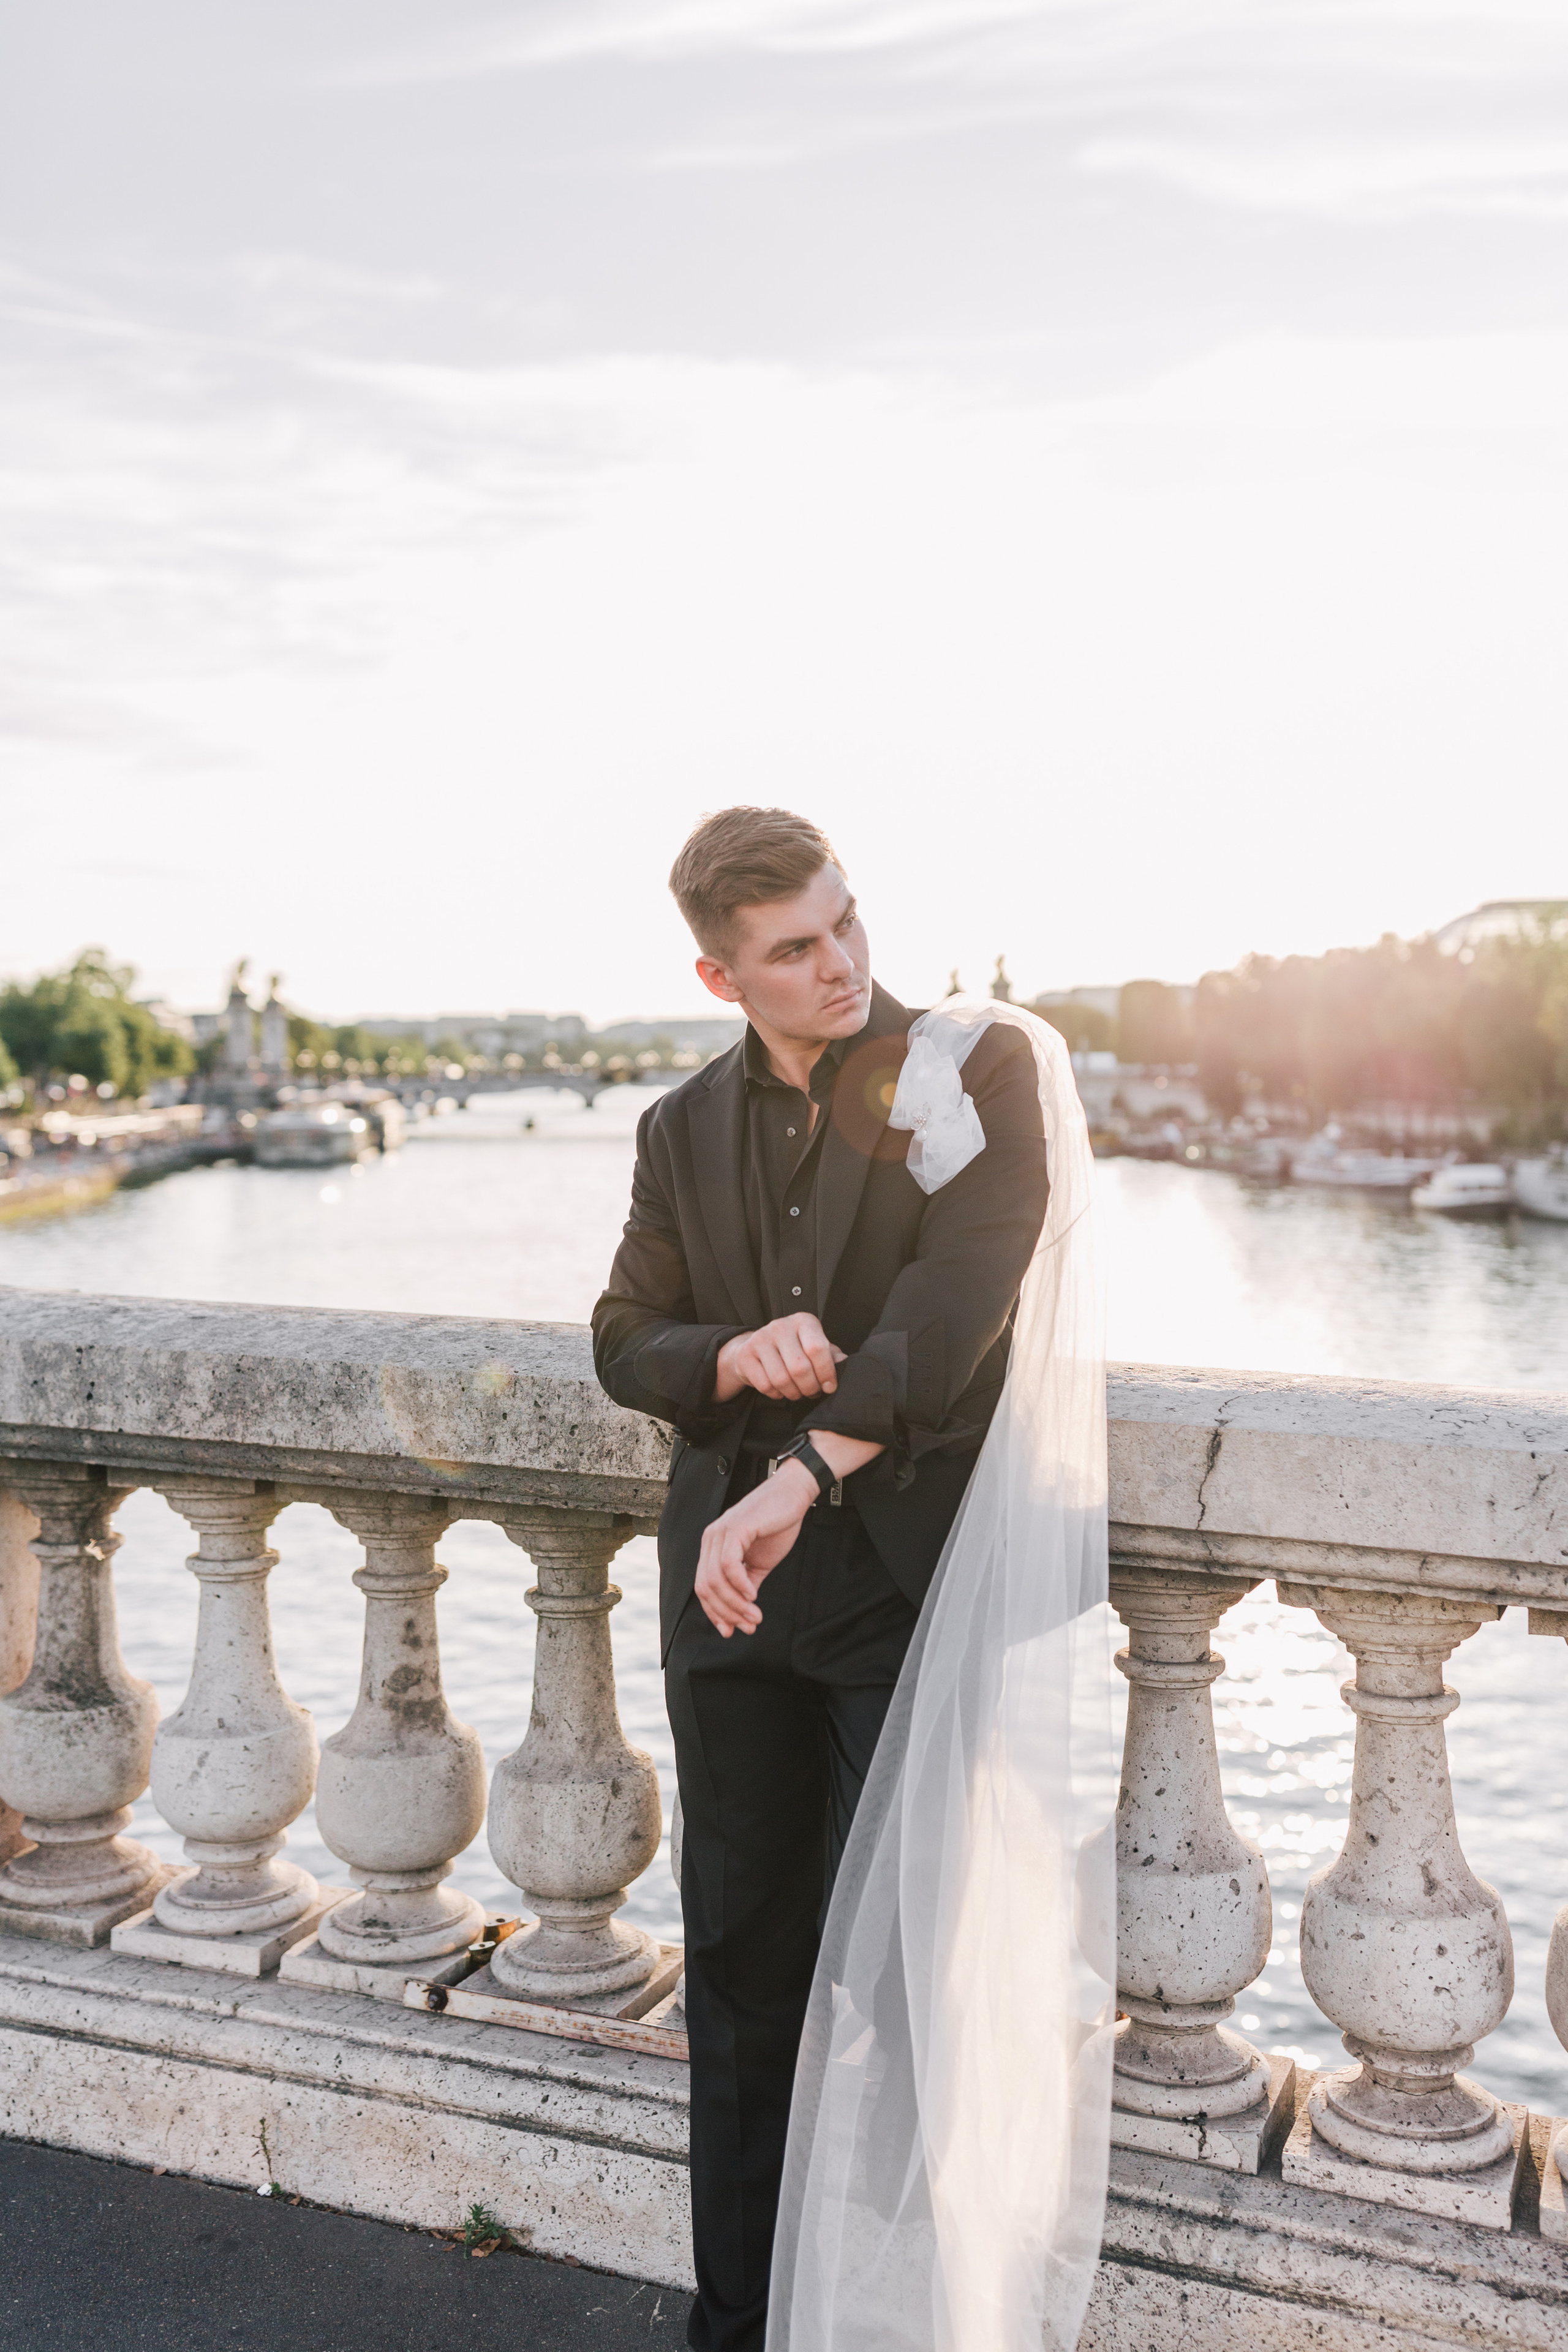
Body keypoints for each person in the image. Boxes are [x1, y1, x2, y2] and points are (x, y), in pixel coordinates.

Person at [592, 807, 1060, 2352]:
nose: (842, 964)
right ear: (721, 977)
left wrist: (800, 1470)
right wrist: (725, 1356)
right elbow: (621, 1337)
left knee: (925, 1980)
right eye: (794, 950)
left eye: (847, 923)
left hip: (897, 1579)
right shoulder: (673, 1130)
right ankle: (739, 2326)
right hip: (726, 1587)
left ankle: (913, 2315)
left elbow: (960, 1298)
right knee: (735, 1971)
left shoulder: (975, 1067)